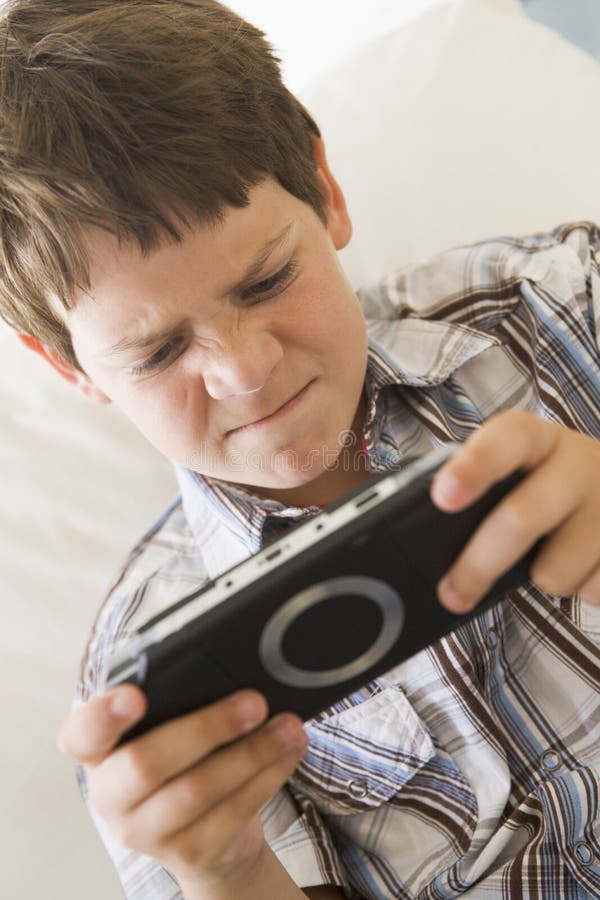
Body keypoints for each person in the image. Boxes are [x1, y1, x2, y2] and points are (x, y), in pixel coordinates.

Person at [1, 0, 599, 897]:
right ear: (72, 369)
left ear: (327, 190)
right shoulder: (143, 686)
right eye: (159, 351)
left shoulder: (564, 302)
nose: (246, 372)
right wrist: (226, 871)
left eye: (268, 279)